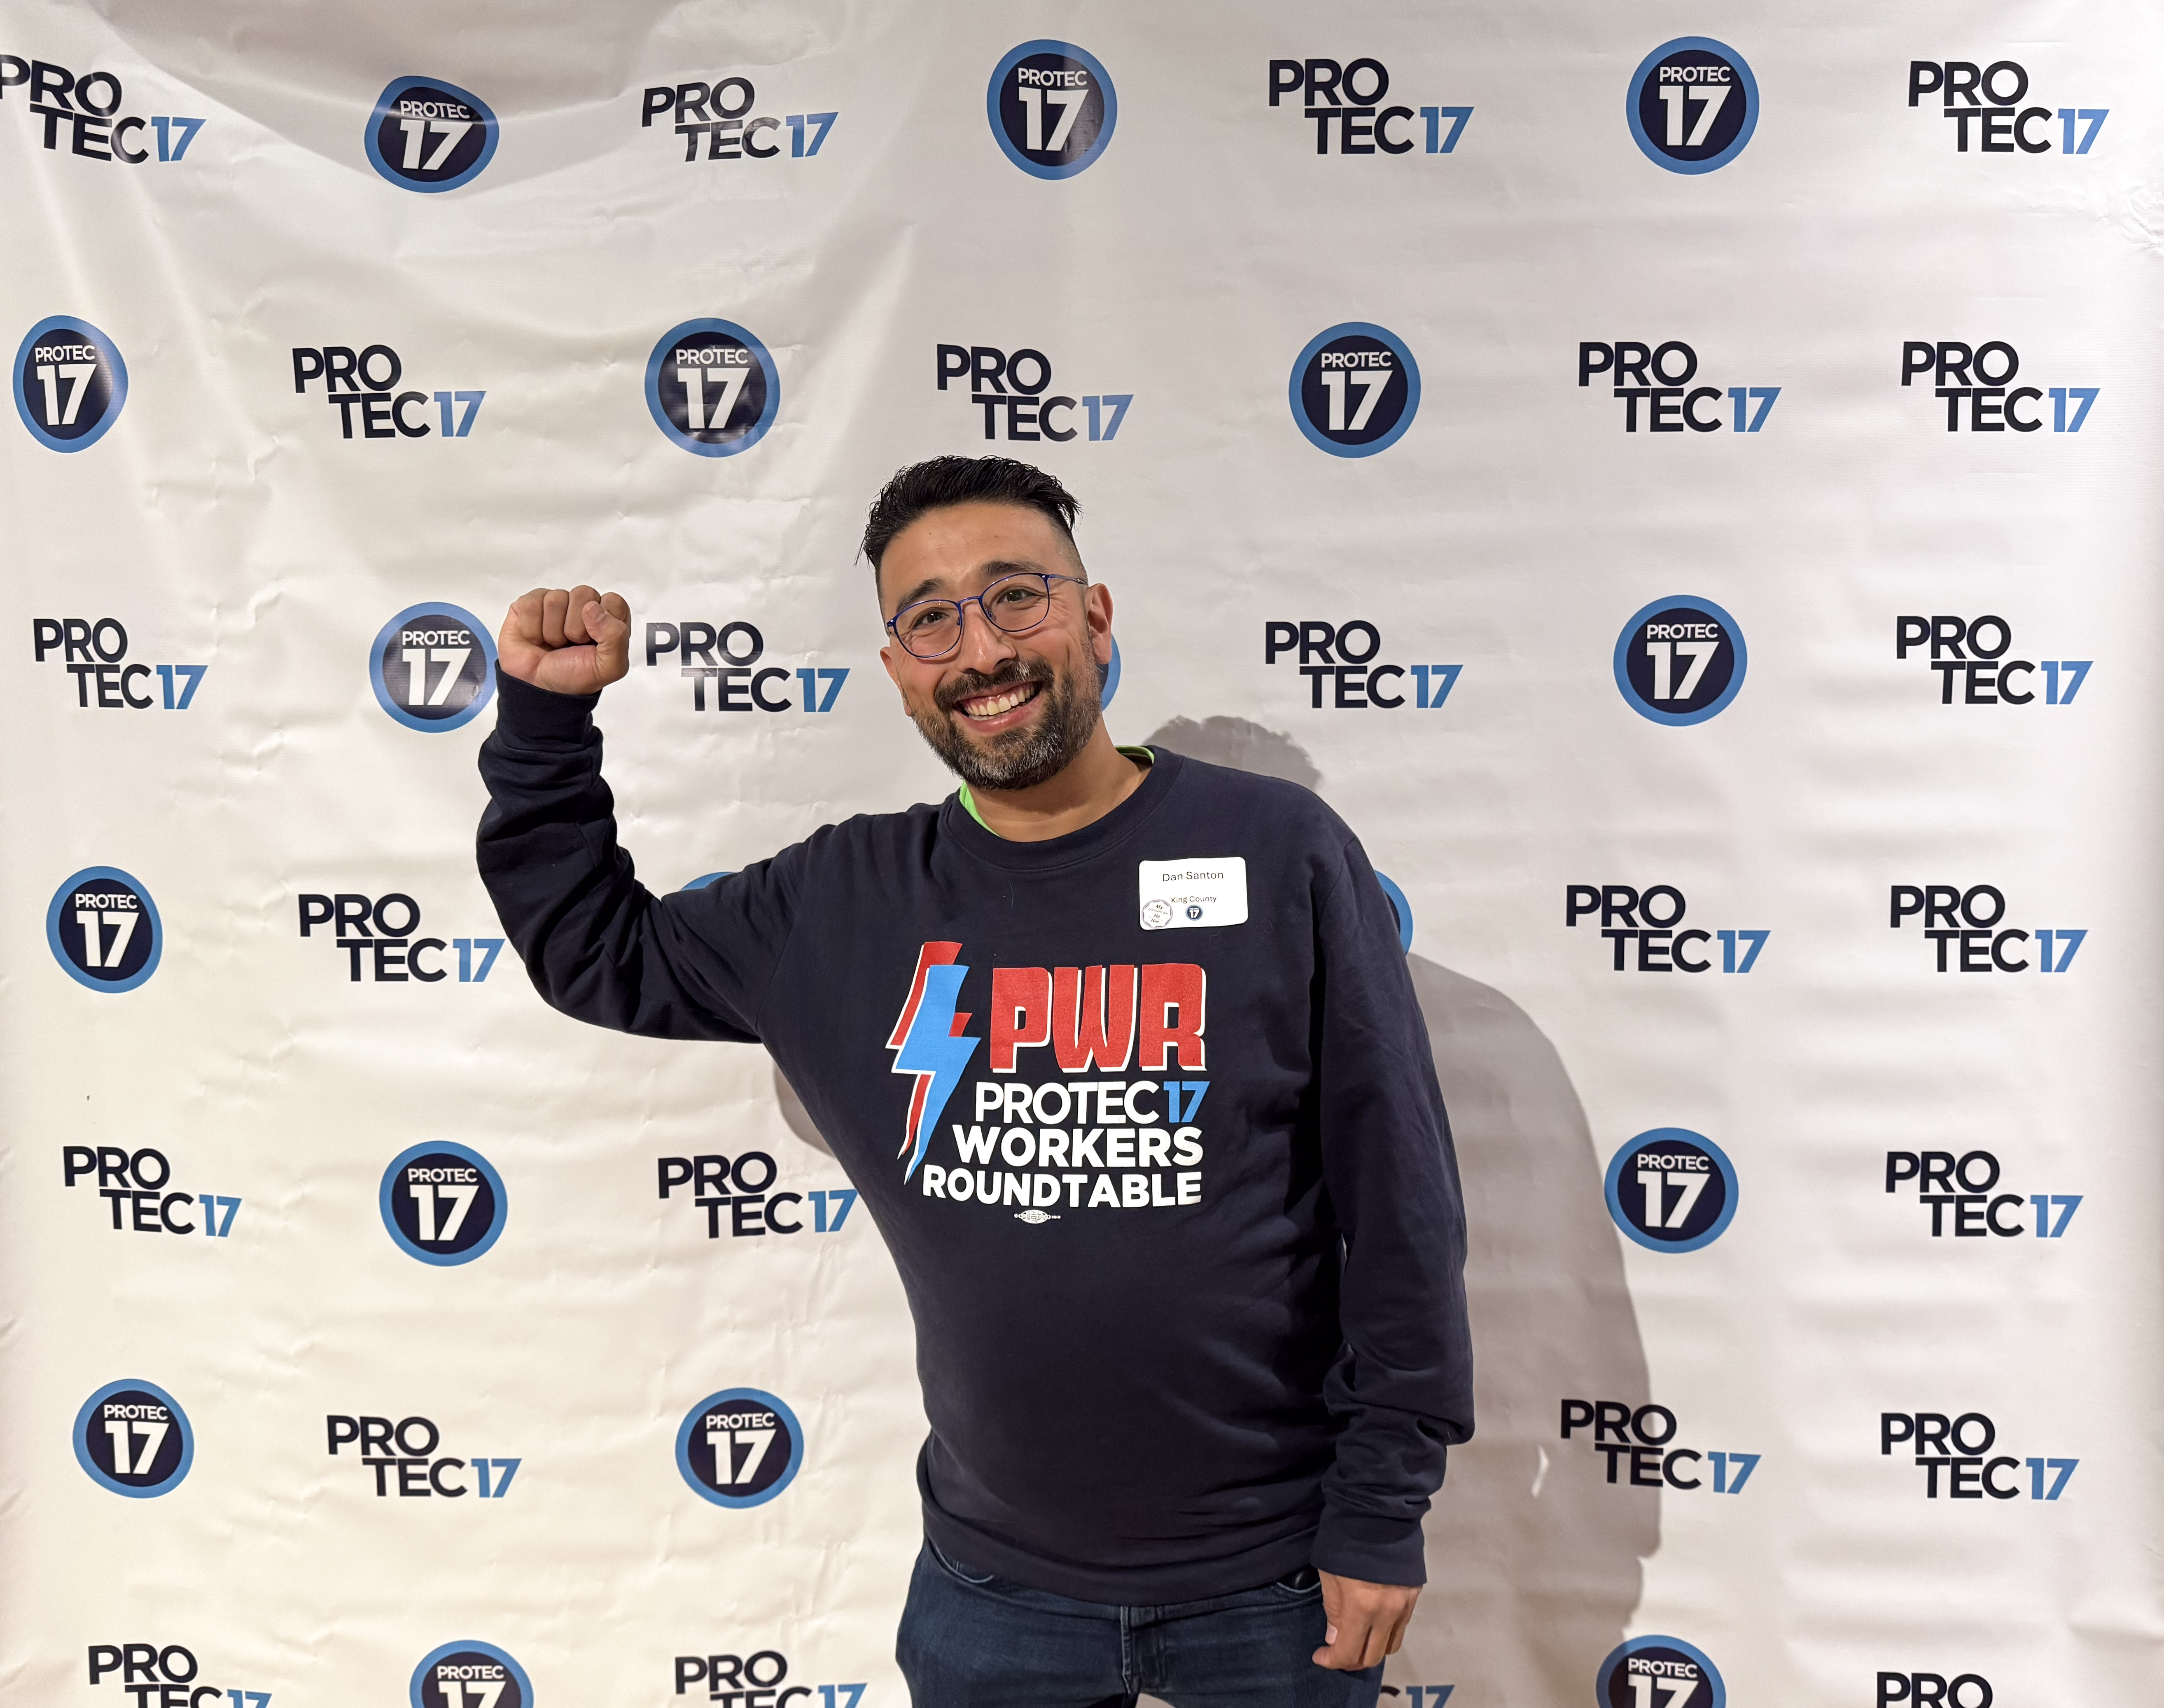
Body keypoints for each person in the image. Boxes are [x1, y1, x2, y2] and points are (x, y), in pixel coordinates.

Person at [474, 455, 1473, 1707]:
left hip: (1273, 1581)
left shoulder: (1279, 854)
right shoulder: (843, 903)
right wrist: (545, 726)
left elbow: (1401, 1205)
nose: (981, 646)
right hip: (994, 1594)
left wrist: (1384, 1506)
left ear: (1095, 617)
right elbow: (596, 949)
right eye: (931, 617)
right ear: (899, 672)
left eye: (1017, 596)